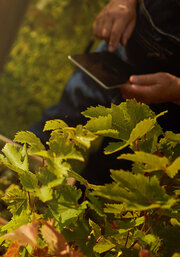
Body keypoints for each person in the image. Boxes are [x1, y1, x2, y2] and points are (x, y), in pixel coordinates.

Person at [29, 0, 180, 184]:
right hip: (127, 44)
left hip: (169, 103)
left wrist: (176, 91)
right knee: (59, 125)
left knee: (112, 176)